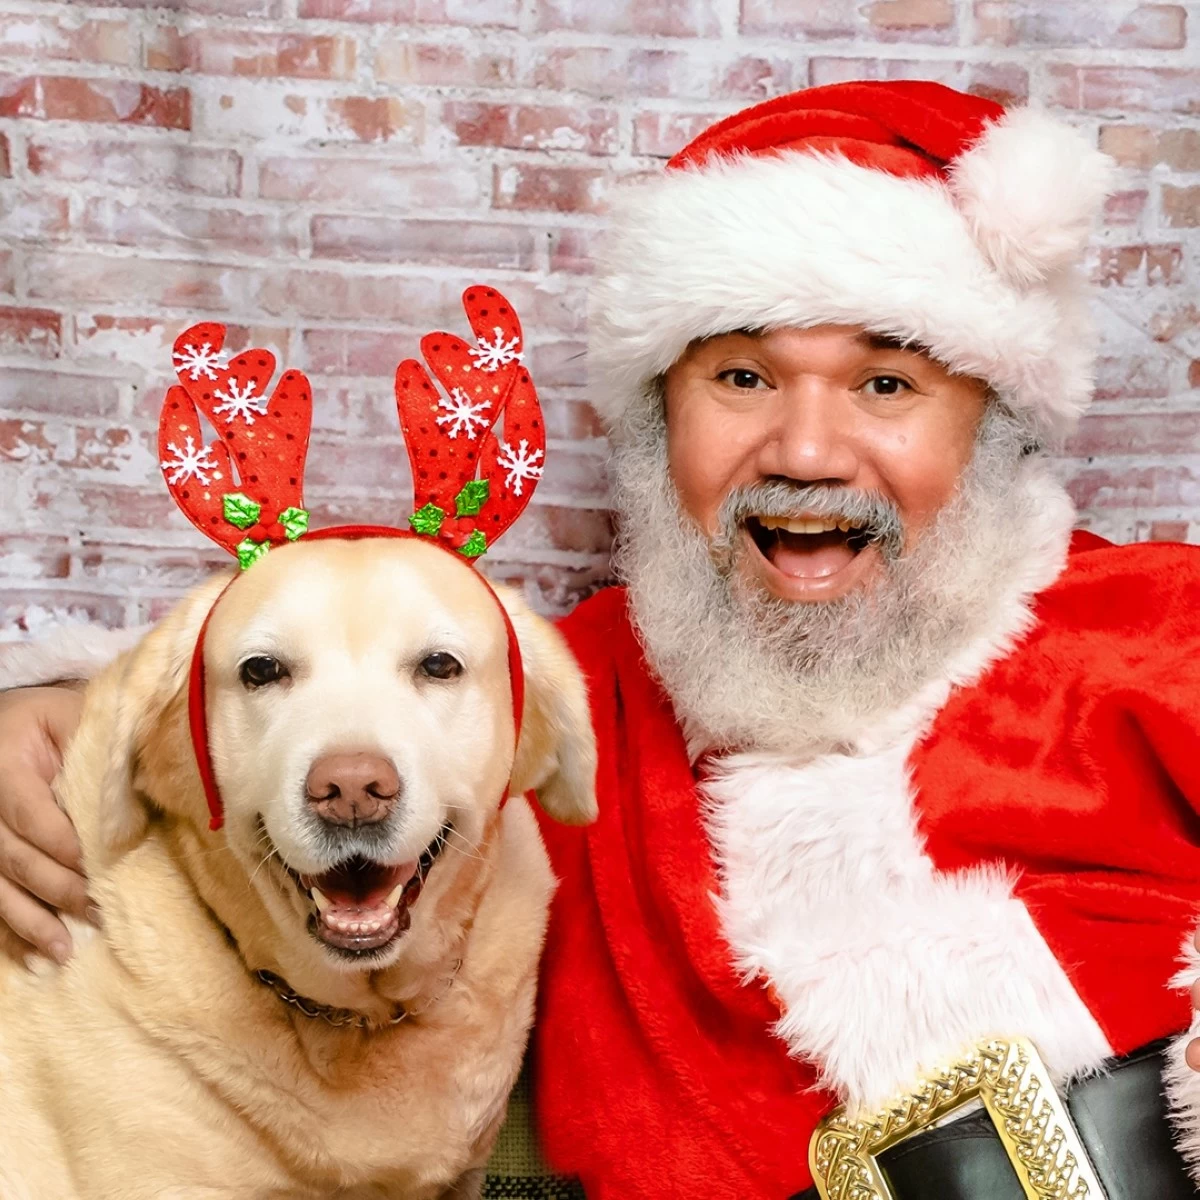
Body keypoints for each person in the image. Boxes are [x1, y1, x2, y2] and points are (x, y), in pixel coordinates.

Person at [3, 80, 1200, 1199]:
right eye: (742, 378)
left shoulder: (1158, 633)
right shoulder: (562, 696)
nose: (805, 451)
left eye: (886, 386)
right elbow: (328, 696)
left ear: (992, 426)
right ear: (657, 423)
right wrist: (48, 711)